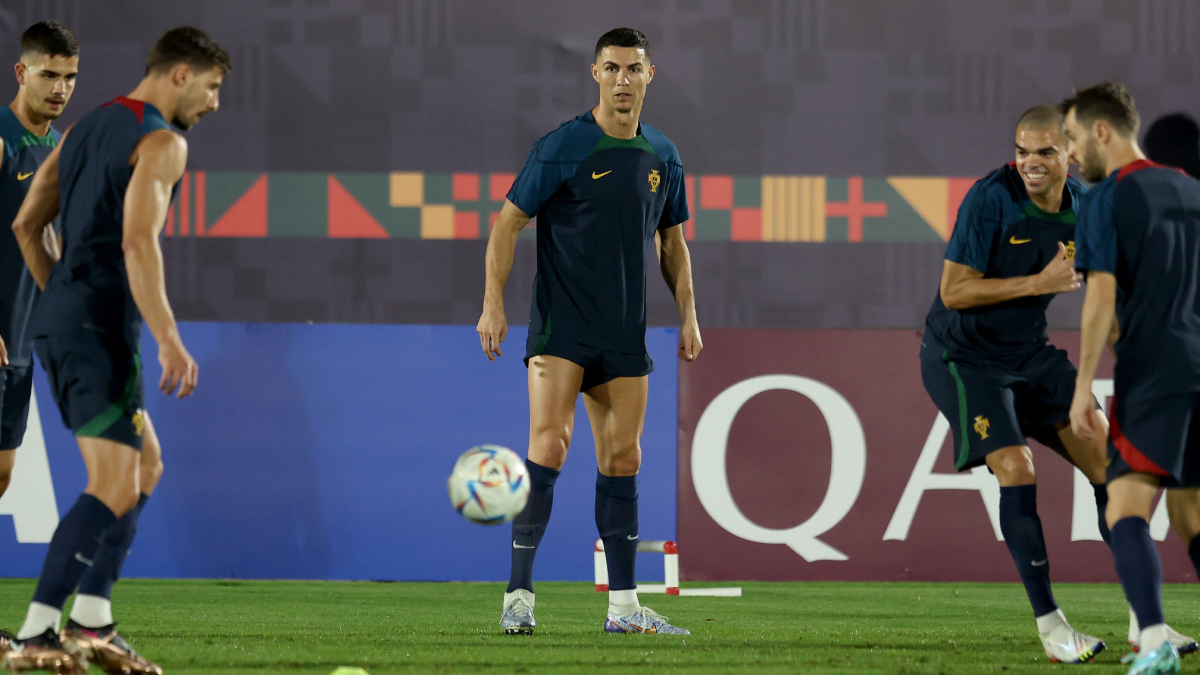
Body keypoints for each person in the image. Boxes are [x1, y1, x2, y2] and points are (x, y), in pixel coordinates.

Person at [1, 26, 230, 675]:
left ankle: (92, 620)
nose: (214, 104)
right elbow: (138, 243)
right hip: (99, 331)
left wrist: (61, 300)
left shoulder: (80, 131)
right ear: (180, 75)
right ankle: (37, 634)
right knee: (112, 480)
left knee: (145, 467)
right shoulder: (163, 141)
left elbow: (26, 223)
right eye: (212, 88)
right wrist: (168, 336)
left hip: (67, 322)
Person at [476, 27, 700, 636]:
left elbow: (673, 243)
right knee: (549, 447)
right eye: (612, 69)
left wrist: (689, 313)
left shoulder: (664, 155)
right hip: (561, 326)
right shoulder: (564, 146)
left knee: (623, 458)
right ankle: (518, 598)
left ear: (650, 76)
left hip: (625, 332)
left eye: (633, 69)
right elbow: (506, 224)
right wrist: (493, 305)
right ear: (595, 75)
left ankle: (624, 609)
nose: (622, 80)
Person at [919, 105, 1111, 663]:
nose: (1030, 162)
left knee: (1109, 463)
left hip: (1030, 351)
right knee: (1016, 467)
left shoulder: (1087, 210)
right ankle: (1052, 628)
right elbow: (954, 292)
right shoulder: (991, 197)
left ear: (1070, 154)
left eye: (1045, 152)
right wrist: (1041, 281)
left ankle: (1146, 622)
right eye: (1022, 150)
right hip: (964, 356)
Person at [1067, 81, 1200, 675]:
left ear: (1102, 130)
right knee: (1192, 516)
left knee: (1125, 507)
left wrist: (1081, 388)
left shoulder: (1105, 198)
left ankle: (1152, 643)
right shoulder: (1191, 190)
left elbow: (1100, 296)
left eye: (1071, 138)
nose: (1070, 153)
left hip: (1158, 373)